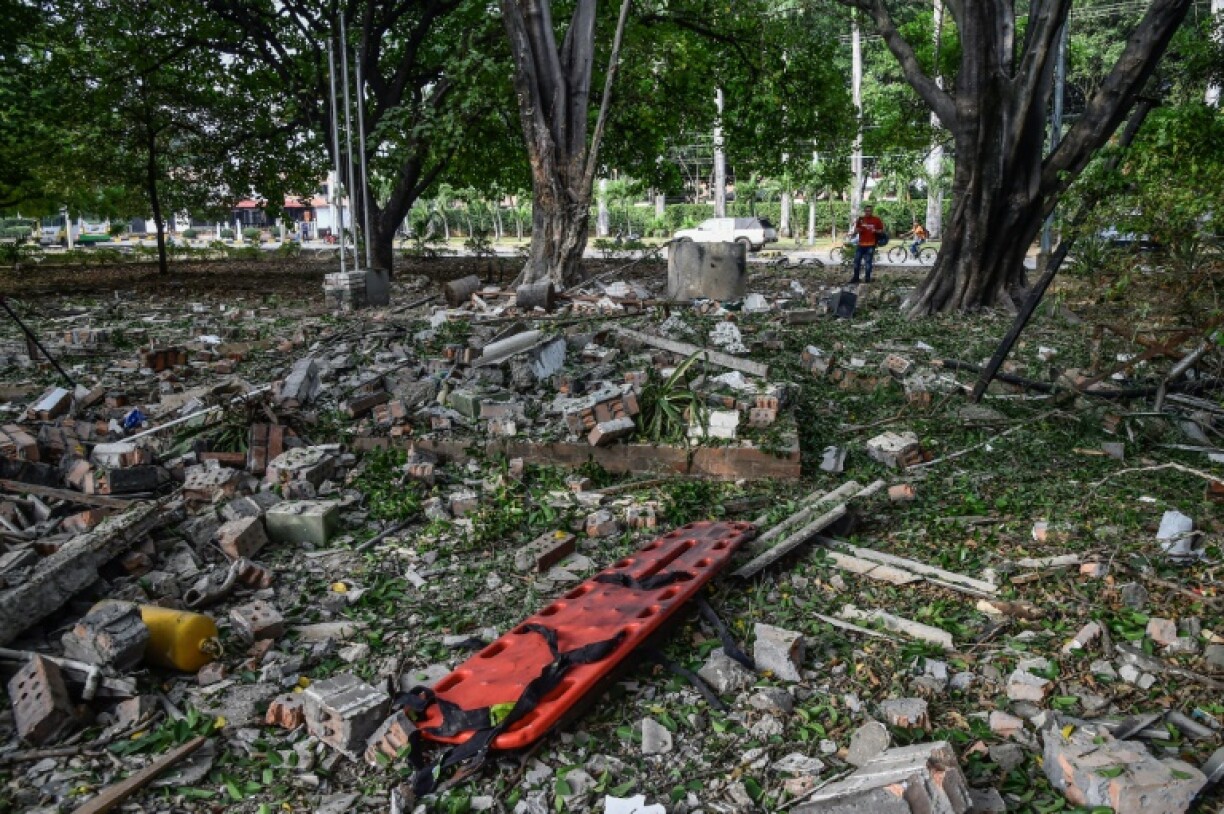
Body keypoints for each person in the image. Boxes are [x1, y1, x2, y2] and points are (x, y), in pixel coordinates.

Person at [849, 205, 884, 283]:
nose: (868, 212)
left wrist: (875, 231)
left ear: (872, 211)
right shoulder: (861, 219)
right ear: (864, 211)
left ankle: (867, 279)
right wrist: (857, 231)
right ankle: (856, 278)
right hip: (861, 244)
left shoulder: (876, 220)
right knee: (856, 261)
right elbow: (856, 230)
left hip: (870, 245)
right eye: (867, 211)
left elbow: (881, 231)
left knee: (868, 262)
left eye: (870, 211)